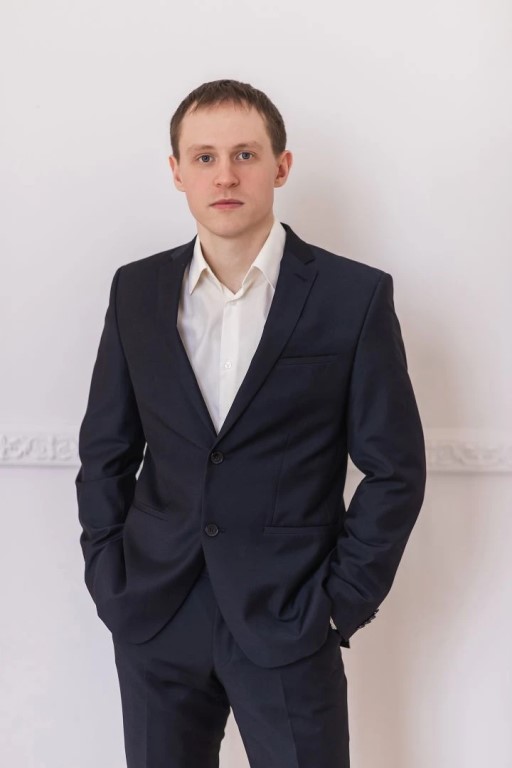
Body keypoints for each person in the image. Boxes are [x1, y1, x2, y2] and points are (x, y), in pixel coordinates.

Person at [75, 78, 426, 768]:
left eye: (245, 154)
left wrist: (341, 602)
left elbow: (395, 469)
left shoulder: (353, 296)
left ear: (280, 166)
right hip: (156, 614)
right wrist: (108, 575)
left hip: (290, 614)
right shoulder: (135, 290)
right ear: (176, 171)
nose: (225, 175)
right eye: (203, 157)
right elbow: (106, 452)